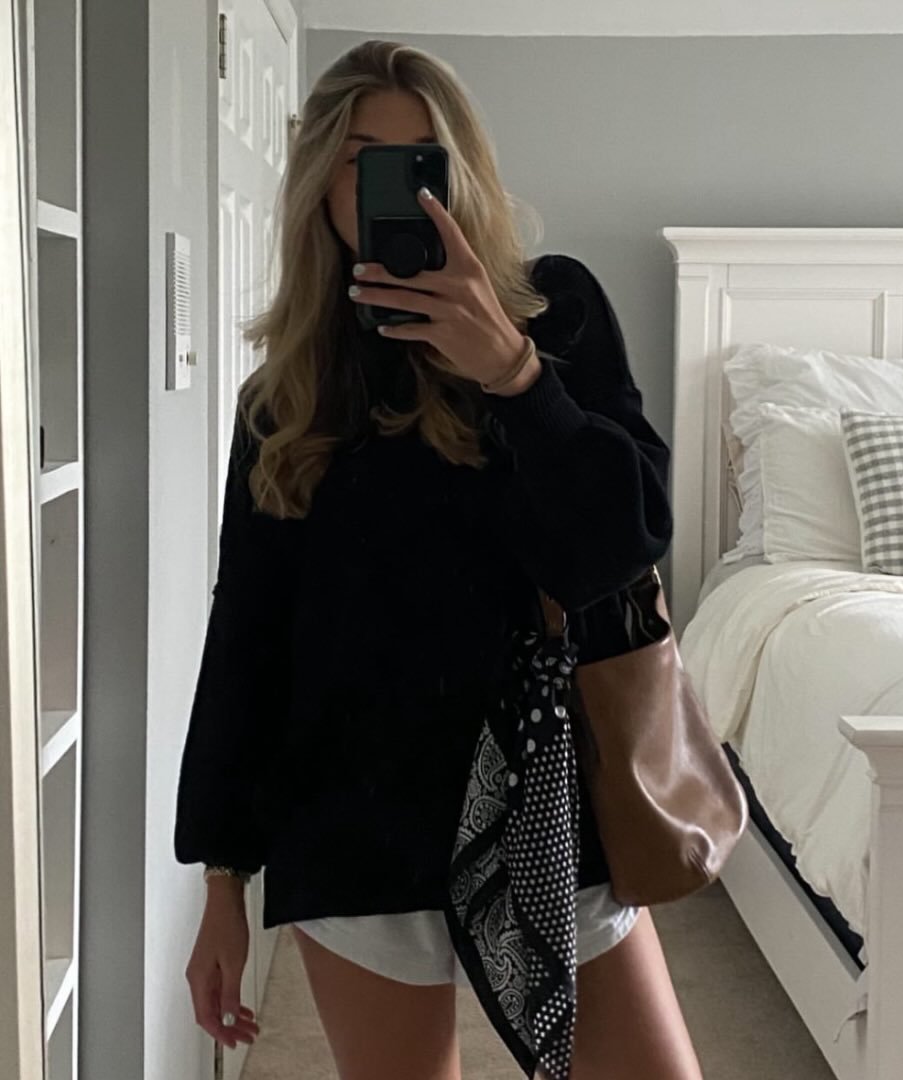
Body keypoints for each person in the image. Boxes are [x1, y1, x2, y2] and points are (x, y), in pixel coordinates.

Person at [175, 39, 703, 1080]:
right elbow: (248, 635)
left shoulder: (555, 311)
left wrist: (514, 373)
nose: (396, 188)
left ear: (460, 173)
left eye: (423, 158)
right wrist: (222, 880)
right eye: (363, 159)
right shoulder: (287, 395)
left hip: (551, 790)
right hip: (354, 809)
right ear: (321, 178)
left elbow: (623, 538)